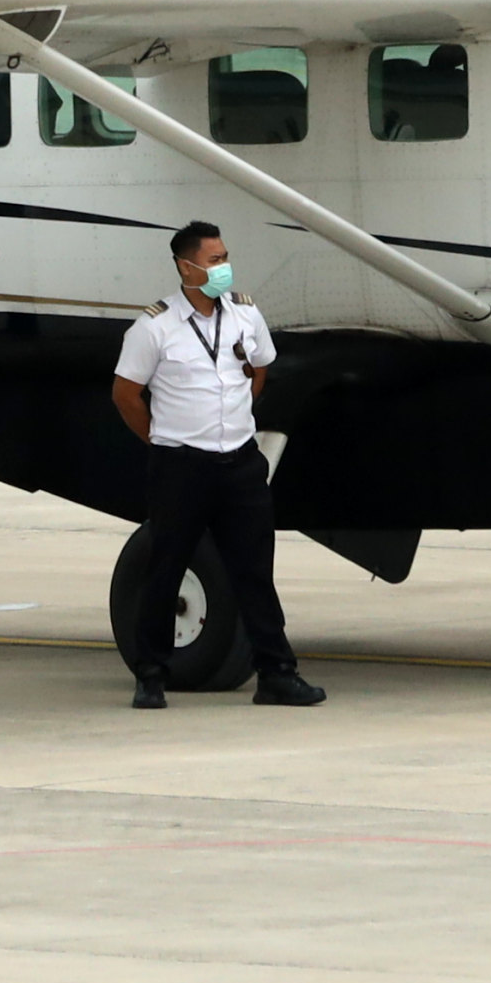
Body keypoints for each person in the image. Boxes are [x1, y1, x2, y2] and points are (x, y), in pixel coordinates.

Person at [109, 222, 322, 713]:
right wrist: (160, 439)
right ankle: (151, 674)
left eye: (225, 257)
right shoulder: (155, 327)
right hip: (181, 465)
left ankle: (276, 673)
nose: (222, 268)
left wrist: (236, 418)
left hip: (240, 463)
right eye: (212, 260)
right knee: (166, 568)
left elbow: (260, 367)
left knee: (254, 570)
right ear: (186, 267)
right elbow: (125, 393)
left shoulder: (245, 313)